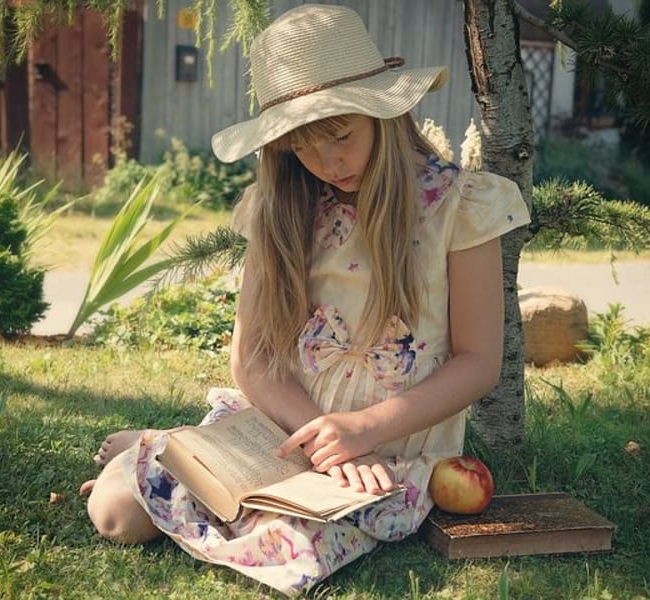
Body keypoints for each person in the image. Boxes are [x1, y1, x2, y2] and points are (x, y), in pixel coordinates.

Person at [80, 3, 531, 596]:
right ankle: (162, 449)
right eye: (301, 147)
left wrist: (363, 431)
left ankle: (163, 447)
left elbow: (478, 362)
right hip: (285, 430)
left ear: (383, 113)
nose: (327, 163)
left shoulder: (461, 208)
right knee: (119, 515)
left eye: (340, 136)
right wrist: (324, 436)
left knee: (294, 550)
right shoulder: (282, 211)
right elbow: (254, 360)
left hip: (385, 454)